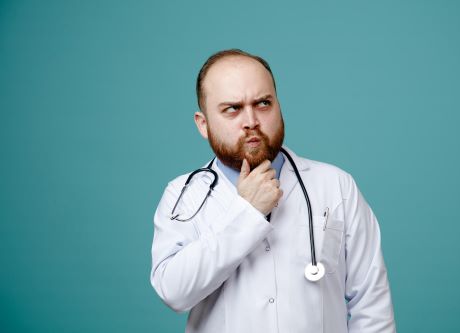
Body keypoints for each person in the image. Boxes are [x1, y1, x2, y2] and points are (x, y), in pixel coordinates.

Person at [150, 49, 396, 333]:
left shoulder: (336, 186)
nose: (251, 120)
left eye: (263, 103)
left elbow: (372, 305)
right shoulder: (183, 195)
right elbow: (174, 292)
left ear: (279, 107)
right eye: (232, 108)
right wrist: (247, 213)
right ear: (203, 124)